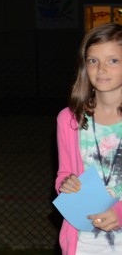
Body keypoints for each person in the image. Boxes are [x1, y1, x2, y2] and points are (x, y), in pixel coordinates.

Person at [56, 22, 122, 254]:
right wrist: (66, 185)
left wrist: (119, 213)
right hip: (84, 241)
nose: (101, 69)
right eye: (93, 60)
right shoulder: (69, 120)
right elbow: (64, 175)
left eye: (113, 61)